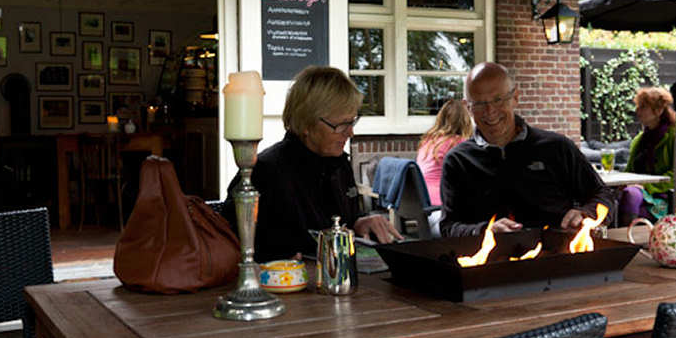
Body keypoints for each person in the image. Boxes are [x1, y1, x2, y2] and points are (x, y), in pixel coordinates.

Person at [221, 66, 402, 263]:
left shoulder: (338, 164)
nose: (350, 133)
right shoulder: (264, 172)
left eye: (352, 122)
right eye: (340, 125)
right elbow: (232, 245)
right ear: (306, 124)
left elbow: (342, 221)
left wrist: (360, 222)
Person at [439, 62, 616, 237]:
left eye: (498, 100)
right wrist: (485, 232)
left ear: (515, 97)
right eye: (479, 103)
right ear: (467, 107)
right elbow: (448, 227)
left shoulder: (556, 147)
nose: (490, 111)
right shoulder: (458, 160)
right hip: (488, 262)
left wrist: (585, 214)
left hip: (556, 259)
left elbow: (603, 195)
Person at [618, 87, 676, 225]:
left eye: (643, 107)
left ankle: (627, 241)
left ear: (659, 110)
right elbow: (630, 171)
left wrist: (645, 187)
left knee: (631, 194)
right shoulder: (640, 140)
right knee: (611, 197)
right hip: (642, 195)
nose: (637, 111)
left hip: (670, 198)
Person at [416, 99, 473, 206]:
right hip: (441, 203)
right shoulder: (459, 143)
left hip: (421, 199)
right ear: (465, 121)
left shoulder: (427, 141)